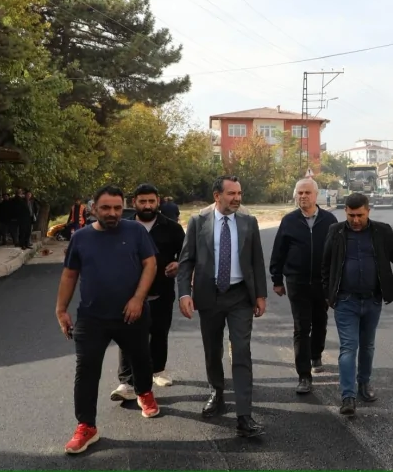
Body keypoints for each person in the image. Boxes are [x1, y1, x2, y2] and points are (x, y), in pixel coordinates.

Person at [55, 185, 161, 455]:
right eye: (105, 208)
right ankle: (86, 426)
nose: (112, 213)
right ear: (94, 209)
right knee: (86, 371)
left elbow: (151, 264)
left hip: (132, 313)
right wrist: (61, 309)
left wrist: (138, 298)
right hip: (92, 318)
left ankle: (144, 392)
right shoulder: (80, 238)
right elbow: (69, 274)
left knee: (140, 358)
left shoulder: (135, 231)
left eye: (116, 207)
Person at [177, 175, 268, 438]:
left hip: (240, 296)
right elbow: (186, 261)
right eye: (231, 194)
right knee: (212, 349)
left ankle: (244, 415)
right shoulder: (198, 221)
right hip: (209, 296)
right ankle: (217, 392)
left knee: (241, 351)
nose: (237, 198)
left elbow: (256, 261)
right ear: (217, 195)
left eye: (240, 193)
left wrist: (260, 295)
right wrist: (184, 293)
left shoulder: (249, 221)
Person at [321, 192, 393, 416]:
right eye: (351, 215)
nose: (355, 220)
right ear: (345, 211)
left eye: (360, 215)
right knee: (348, 347)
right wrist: (328, 293)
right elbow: (325, 265)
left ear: (368, 211)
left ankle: (364, 383)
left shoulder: (382, 231)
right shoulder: (336, 232)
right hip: (345, 301)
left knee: (368, 345)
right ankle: (348, 396)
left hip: (372, 300)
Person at [110, 184, 186, 403]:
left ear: (158, 201)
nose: (147, 205)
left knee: (159, 331)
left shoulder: (171, 228)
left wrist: (177, 264)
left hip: (161, 291)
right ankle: (126, 382)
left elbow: (186, 254)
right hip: (128, 293)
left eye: (151, 201)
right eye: (142, 201)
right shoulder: (122, 227)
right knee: (127, 336)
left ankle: (158, 371)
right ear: (134, 202)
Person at [269, 178, 338, 394]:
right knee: (301, 327)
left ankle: (316, 354)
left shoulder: (330, 220)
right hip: (297, 282)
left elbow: (337, 254)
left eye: (307, 192)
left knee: (320, 321)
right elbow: (278, 251)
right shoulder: (289, 221)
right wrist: (277, 279)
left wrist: (336, 283)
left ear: (316, 195)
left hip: (322, 282)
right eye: (299, 193)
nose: (303, 196)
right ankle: (304, 375)